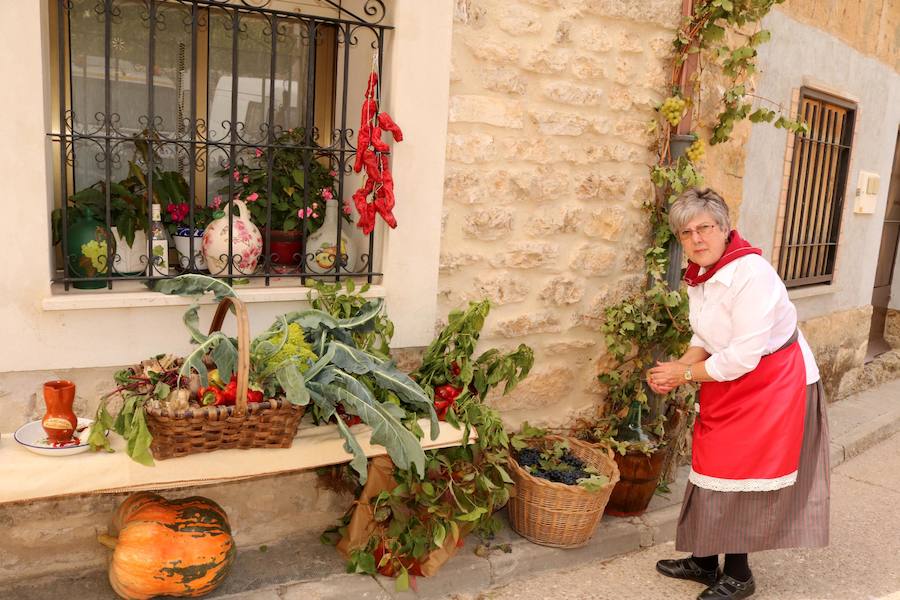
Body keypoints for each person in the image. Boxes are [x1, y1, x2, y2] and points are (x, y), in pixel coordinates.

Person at [647, 188, 830, 600]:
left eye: (705, 228)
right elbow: (707, 333)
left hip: (773, 385)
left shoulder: (751, 274)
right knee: (711, 465)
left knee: (743, 475)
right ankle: (705, 561)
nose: (696, 239)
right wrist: (677, 367)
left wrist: (684, 374)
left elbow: (744, 354)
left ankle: (740, 574)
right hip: (732, 379)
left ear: (725, 228)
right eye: (686, 232)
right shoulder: (704, 274)